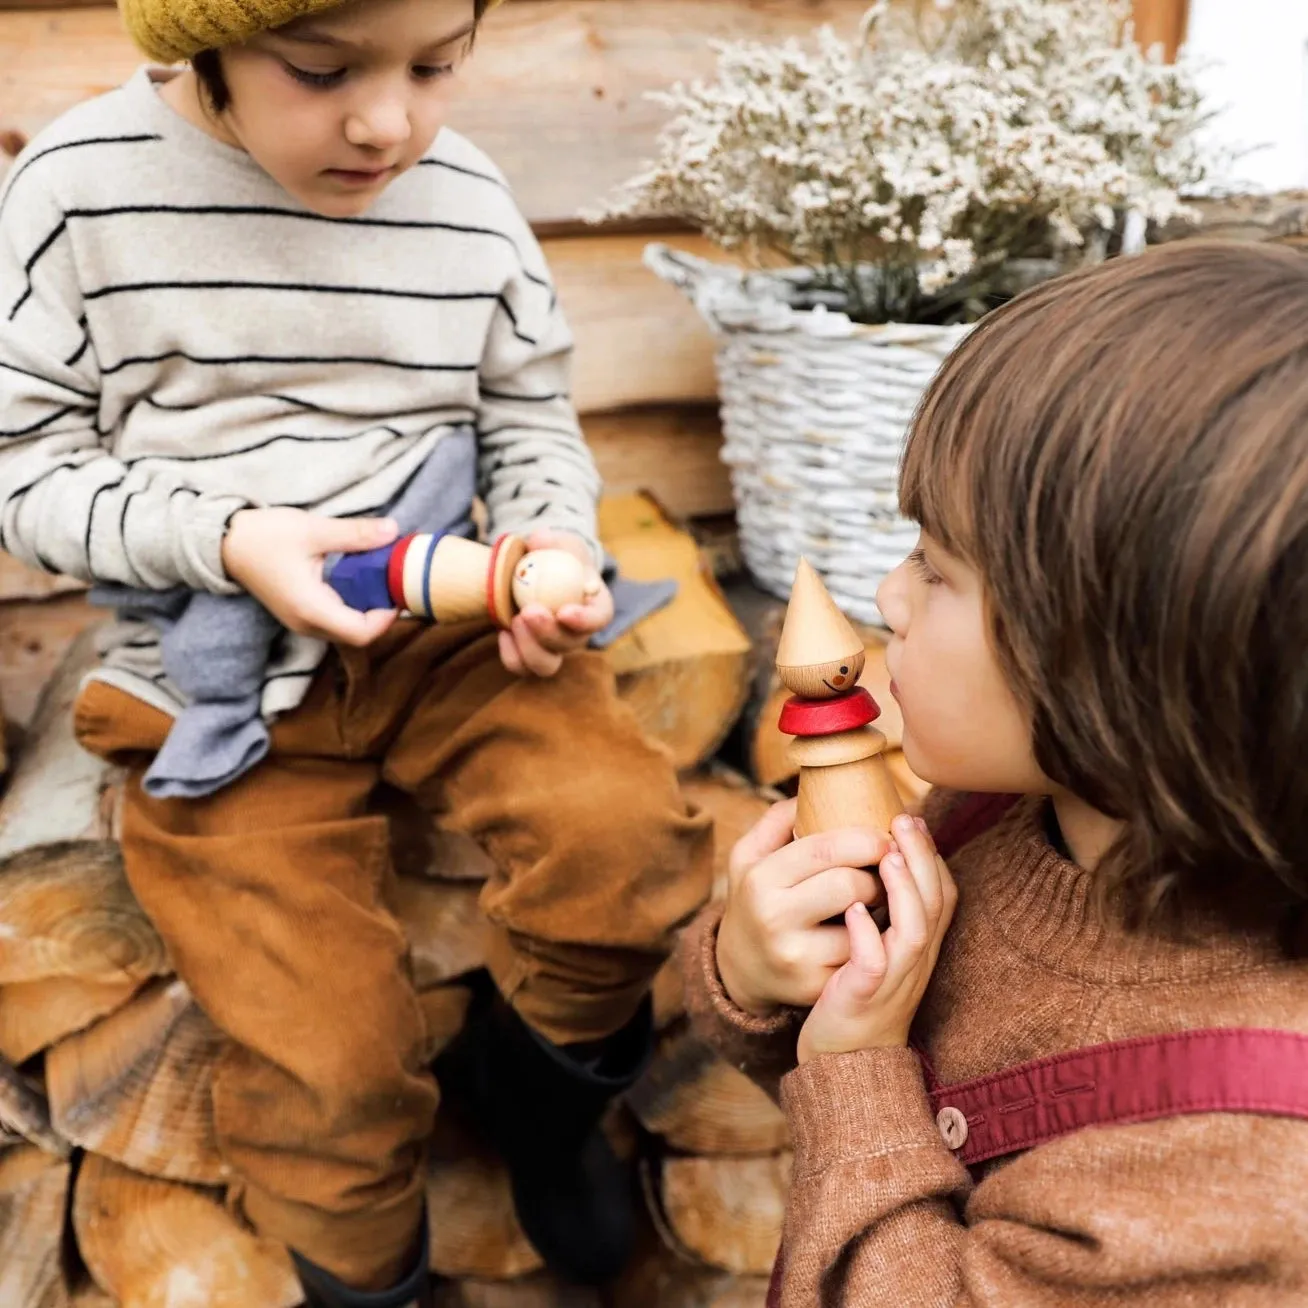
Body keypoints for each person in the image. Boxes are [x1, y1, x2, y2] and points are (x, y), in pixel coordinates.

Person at [0, 0, 712, 1303]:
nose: (389, 120)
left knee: (622, 843)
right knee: (326, 1063)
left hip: (447, 627)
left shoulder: (460, 194)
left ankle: (535, 1103)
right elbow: (24, 471)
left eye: (439, 66)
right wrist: (228, 538)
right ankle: (367, 1274)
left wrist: (548, 545)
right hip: (216, 677)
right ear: (201, 42)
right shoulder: (80, 193)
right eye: (322, 70)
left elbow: (527, 412)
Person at [687, 240, 1308, 1304]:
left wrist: (853, 1076)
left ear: (1128, 661)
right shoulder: (1018, 810)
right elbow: (872, 1036)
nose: (886, 596)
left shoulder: (1242, 1170)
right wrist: (756, 977)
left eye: (938, 567)